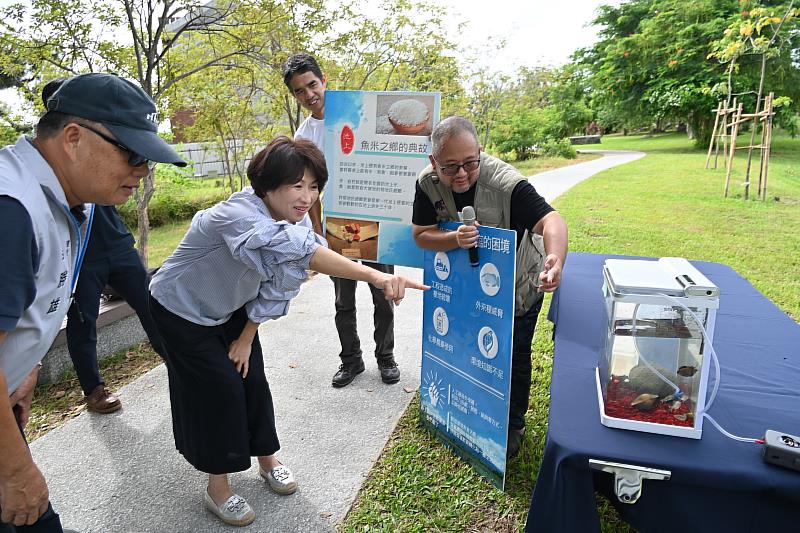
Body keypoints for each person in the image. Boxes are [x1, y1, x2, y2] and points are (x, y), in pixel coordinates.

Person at [149, 136, 427, 527]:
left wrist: (246, 337)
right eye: (297, 185)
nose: (307, 197)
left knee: (253, 381)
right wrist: (374, 276)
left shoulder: (288, 222)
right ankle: (218, 488)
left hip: (229, 310)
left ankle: (267, 458)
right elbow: (301, 250)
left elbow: (277, 285)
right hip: (179, 311)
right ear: (267, 185)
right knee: (219, 390)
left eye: (314, 187)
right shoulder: (237, 214)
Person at [0, 73, 185, 532]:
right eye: (133, 153)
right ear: (74, 138)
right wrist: (15, 469)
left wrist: (26, 365)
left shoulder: (59, 197)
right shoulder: (11, 210)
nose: (143, 170)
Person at [411, 116, 568, 460]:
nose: (462, 174)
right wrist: (453, 237)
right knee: (473, 346)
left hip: (519, 286)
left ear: (480, 152)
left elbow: (551, 220)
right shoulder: (427, 184)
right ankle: (473, 408)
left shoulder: (508, 185)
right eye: (451, 167)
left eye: (470, 163)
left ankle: (513, 424)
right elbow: (421, 235)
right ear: (433, 161)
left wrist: (555, 258)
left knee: (514, 351)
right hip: (471, 290)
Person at [34, 78, 168, 415]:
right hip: (82, 257)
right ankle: (93, 390)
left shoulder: (97, 148)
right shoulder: (48, 168)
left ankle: (178, 362)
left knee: (152, 304)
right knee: (83, 320)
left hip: (118, 246)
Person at [283, 53, 400, 388]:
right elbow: (309, 191)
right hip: (335, 228)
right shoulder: (303, 137)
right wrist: (318, 231)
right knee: (342, 301)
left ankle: (386, 357)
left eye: (311, 85)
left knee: (383, 294)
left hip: (376, 221)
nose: (308, 95)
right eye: (299, 92)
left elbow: (389, 158)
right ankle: (351, 360)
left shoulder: (357, 111)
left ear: (324, 80)